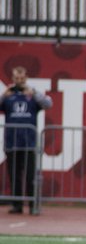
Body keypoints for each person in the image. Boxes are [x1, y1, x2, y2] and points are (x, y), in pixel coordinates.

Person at [2, 66, 53, 214]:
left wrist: (34, 93)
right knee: (14, 176)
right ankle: (17, 205)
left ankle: (32, 205)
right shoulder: (8, 96)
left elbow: (48, 104)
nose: (19, 81)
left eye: (22, 78)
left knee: (31, 176)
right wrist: (4, 94)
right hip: (12, 143)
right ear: (12, 79)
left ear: (26, 78)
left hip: (29, 143)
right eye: (16, 78)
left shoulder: (32, 95)